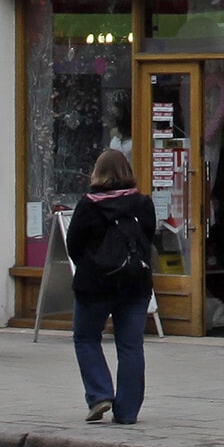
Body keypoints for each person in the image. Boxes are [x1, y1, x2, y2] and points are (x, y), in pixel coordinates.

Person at [65, 149, 157, 424]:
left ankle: (100, 394)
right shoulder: (142, 203)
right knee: (130, 346)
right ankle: (127, 412)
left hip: (95, 285)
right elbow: (148, 239)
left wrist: (92, 265)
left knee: (86, 338)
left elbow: (74, 245)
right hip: (135, 284)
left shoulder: (88, 205)